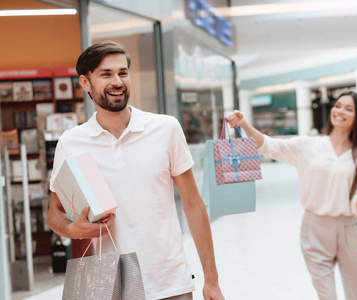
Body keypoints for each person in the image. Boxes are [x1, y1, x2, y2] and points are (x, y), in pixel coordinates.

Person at [47, 41, 225, 300]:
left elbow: (193, 203)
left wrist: (212, 279)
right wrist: (73, 230)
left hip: (171, 283)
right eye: (105, 74)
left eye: (123, 72)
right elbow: (55, 212)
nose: (117, 81)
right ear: (85, 83)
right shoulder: (72, 142)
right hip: (113, 286)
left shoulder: (165, 128)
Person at [227, 91, 357, 300]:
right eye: (338, 105)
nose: (340, 111)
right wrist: (244, 124)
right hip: (314, 229)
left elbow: (354, 204)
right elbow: (268, 146)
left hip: (349, 230)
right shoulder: (308, 146)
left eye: (348, 109)